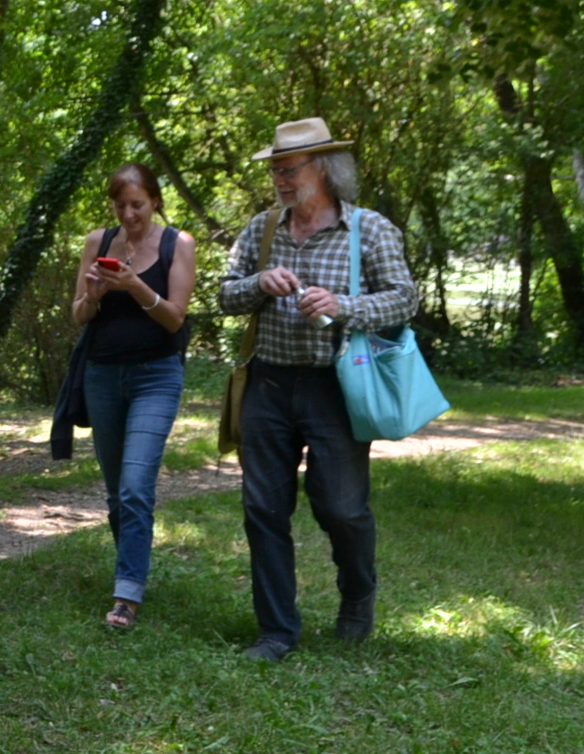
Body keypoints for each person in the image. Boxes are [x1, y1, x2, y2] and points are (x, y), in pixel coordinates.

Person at [218, 118, 418, 662]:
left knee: (342, 507)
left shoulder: (369, 230)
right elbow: (224, 297)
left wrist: (342, 306)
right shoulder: (261, 230)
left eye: (290, 169)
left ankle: (357, 596)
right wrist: (258, 285)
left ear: (324, 169)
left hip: (336, 388)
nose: (280, 179)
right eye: (276, 170)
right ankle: (277, 631)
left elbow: (405, 299)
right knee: (263, 507)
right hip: (270, 382)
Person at [69, 162, 197, 631]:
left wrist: (136, 286)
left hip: (156, 377)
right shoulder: (96, 242)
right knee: (115, 493)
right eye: (121, 205)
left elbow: (175, 318)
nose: (128, 214)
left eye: (137, 204)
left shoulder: (177, 244)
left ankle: (127, 595)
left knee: (135, 486)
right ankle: (134, 565)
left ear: (155, 201)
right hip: (102, 375)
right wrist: (96, 293)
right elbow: (79, 315)